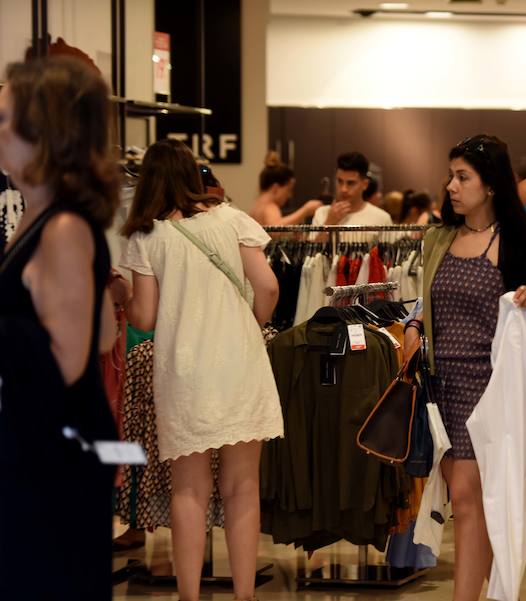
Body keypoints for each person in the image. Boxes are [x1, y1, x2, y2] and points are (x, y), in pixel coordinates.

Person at [120, 139, 284, 601]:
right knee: (242, 486)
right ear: (193, 176)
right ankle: (245, 594)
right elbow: (268, 287)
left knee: (188, 490)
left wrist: (121, 297)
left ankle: (189, 596)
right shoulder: (232, 220)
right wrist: (249, 327)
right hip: (240, 367)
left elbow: (145, 318)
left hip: (184, 370)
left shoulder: (147, 236)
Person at [406, 134, 526, 601]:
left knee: (468, 501)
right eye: (451, 176)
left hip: (488, 389)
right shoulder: (440, 239)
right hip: (439, 389)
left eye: (462, 176)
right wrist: (412, 325)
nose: (451, 185)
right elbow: (422, 300)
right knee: (469, 502)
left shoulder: (513, 242)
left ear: (489, 185)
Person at [0, 56, 120, 599]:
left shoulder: (64, 227)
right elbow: (102, 335)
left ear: (47, 133)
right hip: (40, 444)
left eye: (7, 120)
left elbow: (67, 361)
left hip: (52, 454)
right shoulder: (41, 216)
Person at [311, 151, 393, 242]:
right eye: (339, 181)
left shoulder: (381, 218)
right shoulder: (322, 213)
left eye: (351, 183)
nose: (343, 189)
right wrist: (328, 223)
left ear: (365, 184)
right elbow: (313, 253)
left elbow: (389, 254)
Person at [249, 152, 322, 226]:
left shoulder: (256, 206)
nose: (289, 196)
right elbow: (276, 229)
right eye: (288, 190)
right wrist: (305, 211)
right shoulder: (270, 207)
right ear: (276, 188)